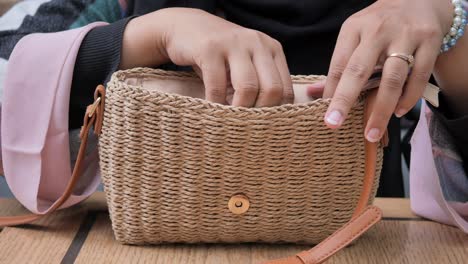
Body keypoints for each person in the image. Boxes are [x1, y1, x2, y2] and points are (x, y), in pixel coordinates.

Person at [0, 0, 467, 231]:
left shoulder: (409, 10)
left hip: (355, 242)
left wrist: (452, 25)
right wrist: (145, 36)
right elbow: (10, 56)